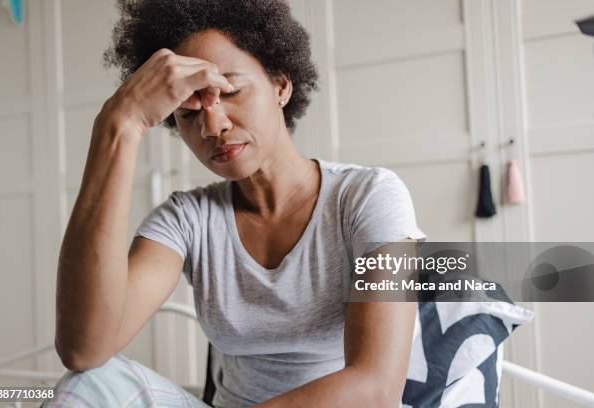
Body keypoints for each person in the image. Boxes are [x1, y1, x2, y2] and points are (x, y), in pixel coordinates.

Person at [43, 0, 426, 406]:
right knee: (87, 385)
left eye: (231, 91)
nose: (213, 125)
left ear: (280, 85)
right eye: (188, 114)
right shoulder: (187, 220)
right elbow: (84, 349)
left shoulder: (368, 197)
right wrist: (118, 123)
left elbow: (376, 386)